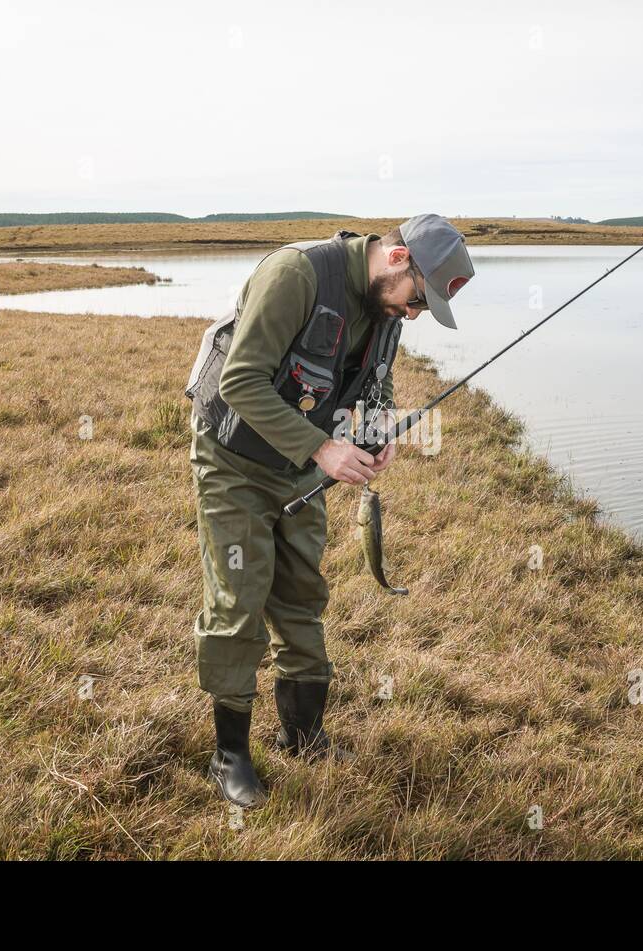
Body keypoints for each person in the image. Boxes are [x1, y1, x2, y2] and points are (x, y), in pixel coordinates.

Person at [184, 214, 475, 807]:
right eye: (418, 301)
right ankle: (230, 756)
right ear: (397, 260)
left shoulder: (386, 306)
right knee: (239, 598)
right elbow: (240, 380)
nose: (413, 315)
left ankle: (303, 735)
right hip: (234, 460)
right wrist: (322, 447)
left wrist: (378, 428)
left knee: (302, 596)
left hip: (302, 471)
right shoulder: (297, 274)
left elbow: (375, 382)